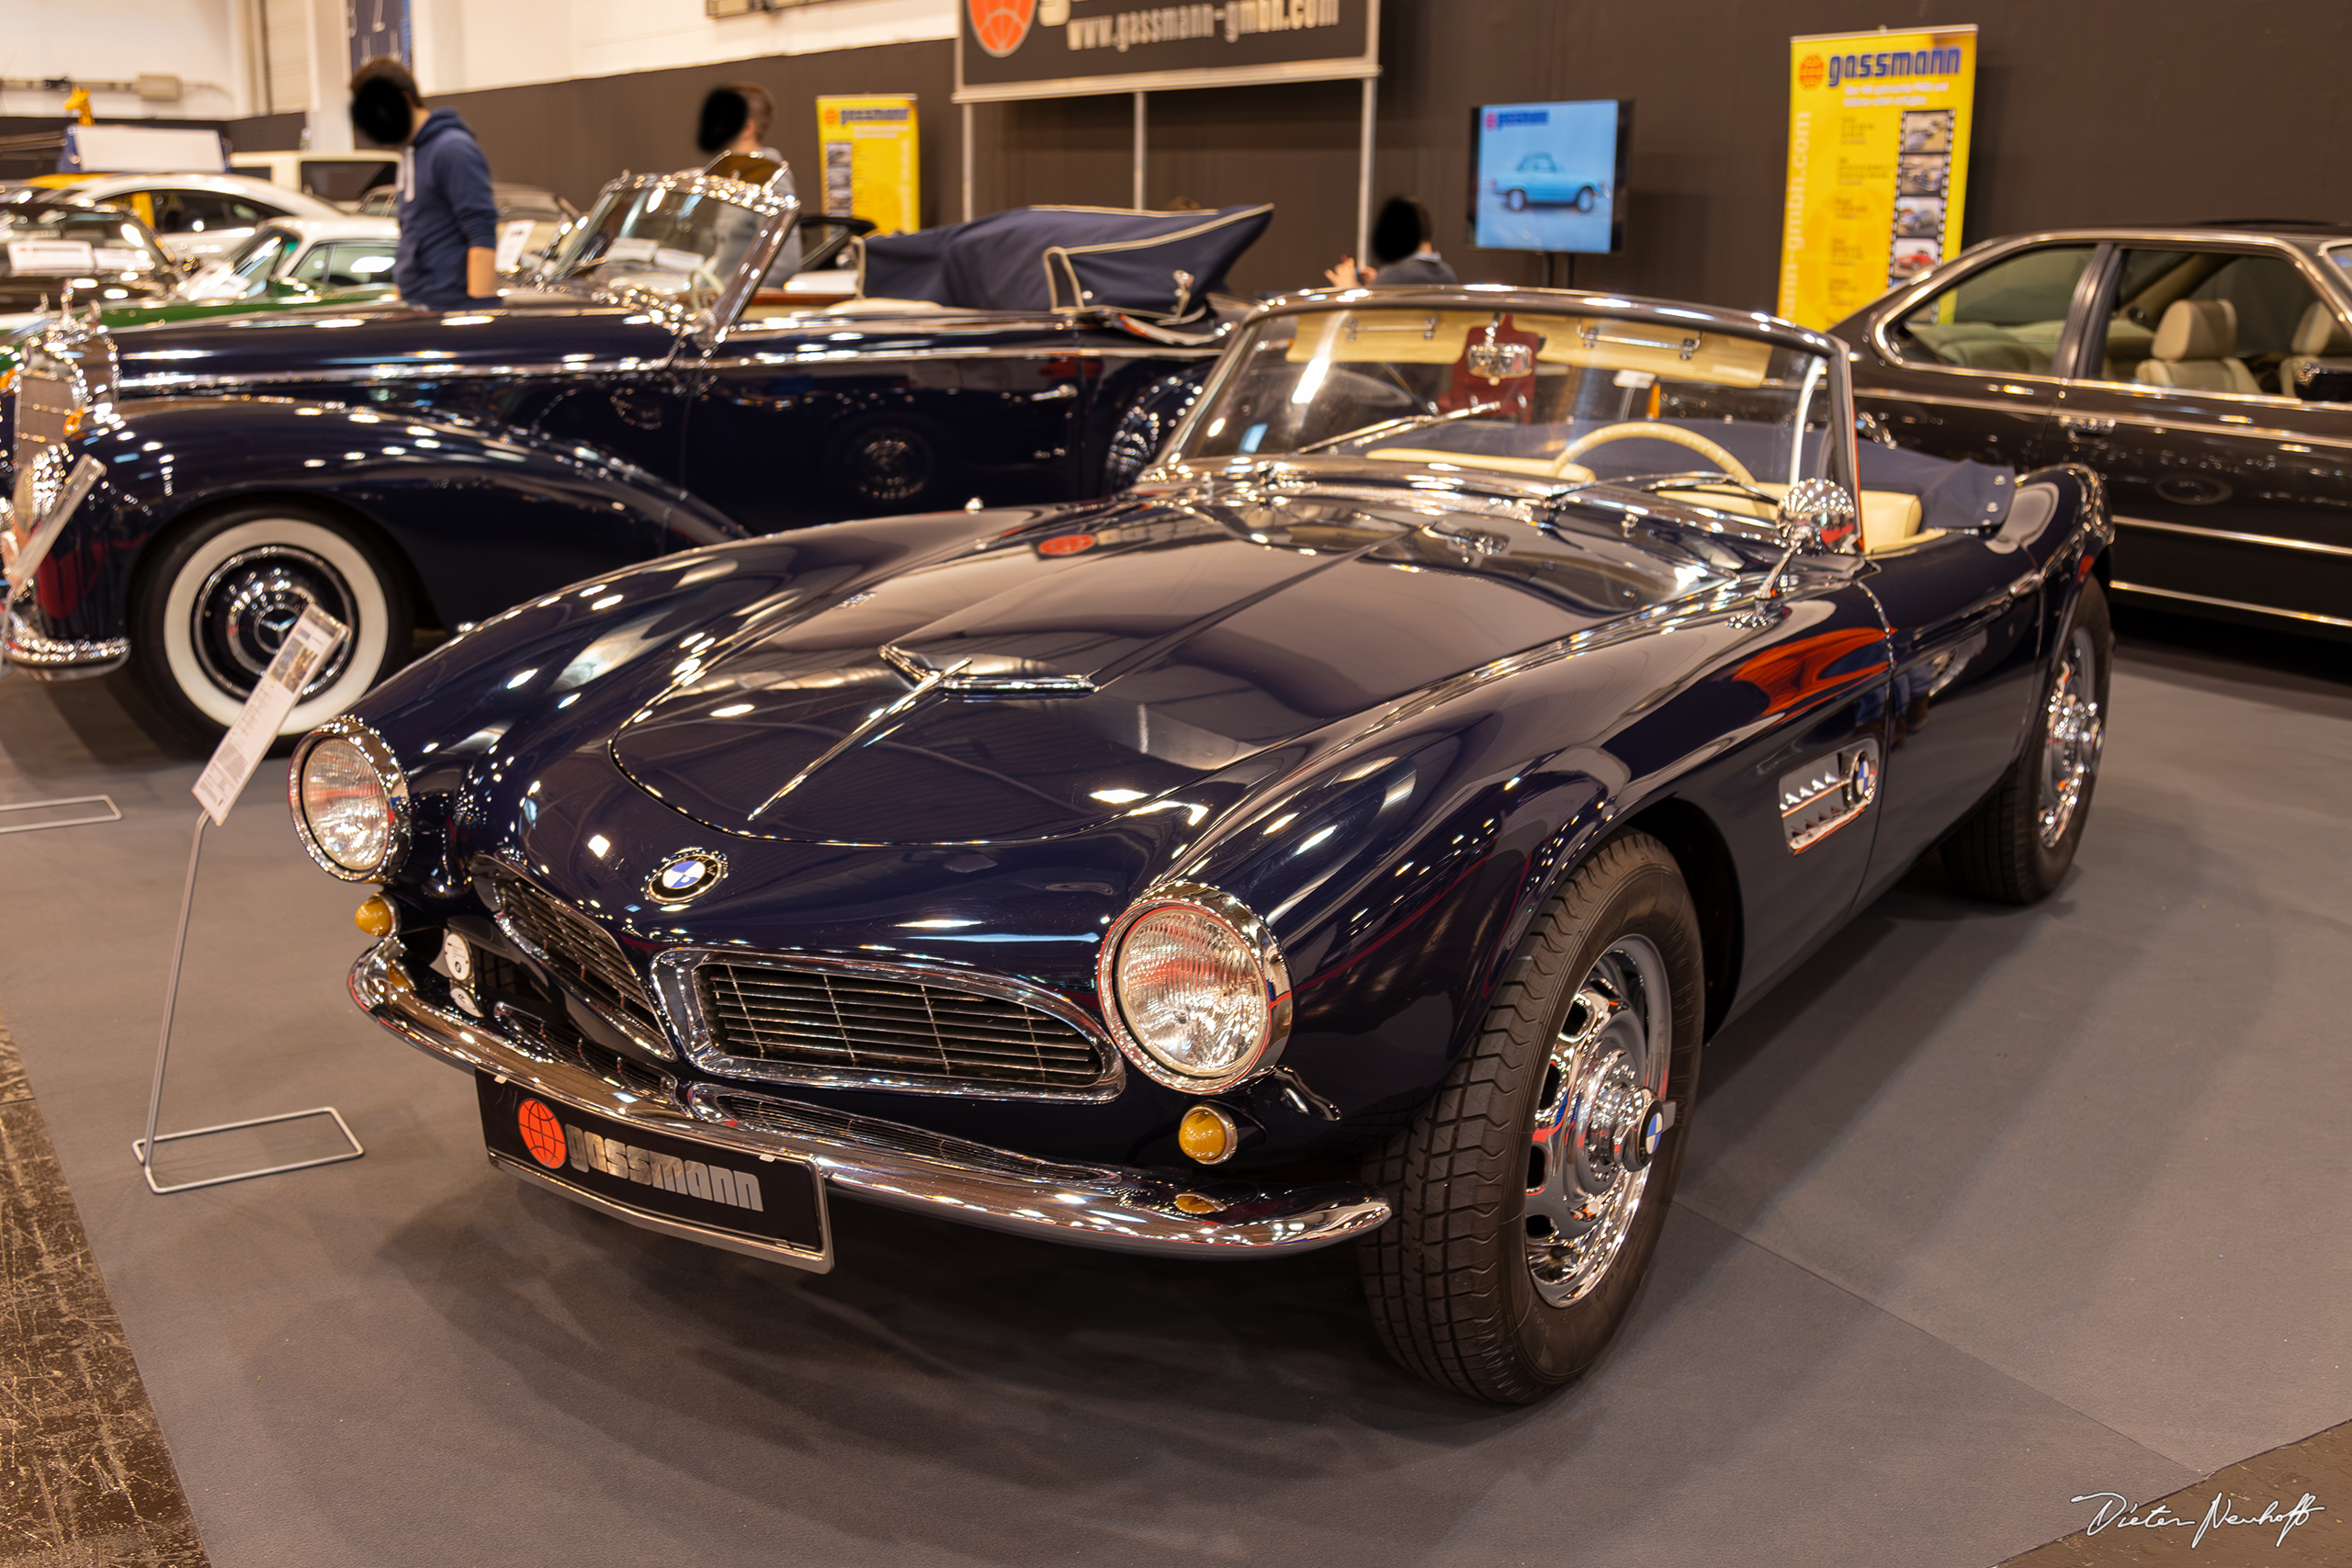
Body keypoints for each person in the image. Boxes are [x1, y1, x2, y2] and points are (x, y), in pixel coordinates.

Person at [348, 58, 498, 310]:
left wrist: (474, 321)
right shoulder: (412, 155)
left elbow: (481, 234)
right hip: (420, 309)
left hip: (450, 310)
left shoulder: (452, 150)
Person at [695, 82, 799, 281]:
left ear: (746, 128)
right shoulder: (730, 179)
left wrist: (736, 300)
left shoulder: (771, 178)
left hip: (744, 309)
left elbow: (784, 263)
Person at [1324, 196, 1458, 288]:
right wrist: (1379, 285)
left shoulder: (1395, 276)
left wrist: (1347, 291)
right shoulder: (1448, 275)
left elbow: (1363, 324)